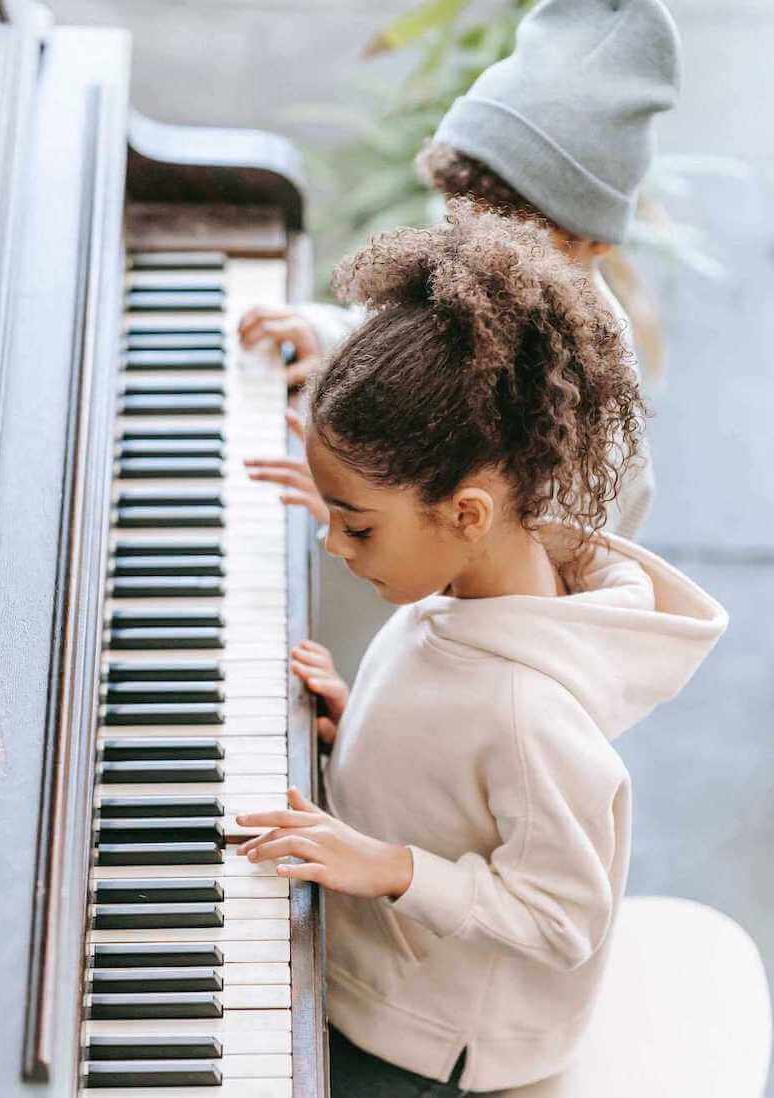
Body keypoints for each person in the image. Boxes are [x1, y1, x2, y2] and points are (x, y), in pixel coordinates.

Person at [235, 204, 727, 1096]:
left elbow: (563, 914)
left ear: (466, 514)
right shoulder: (465, 585)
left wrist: (390, 866)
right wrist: (364, 729)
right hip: (391, 970)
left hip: (434, 1042)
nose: (333, 547)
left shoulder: (532, 713)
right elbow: (454, 754)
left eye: (356, 525)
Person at [243, 0, 682, 543]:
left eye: (507, 232)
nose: (469, 242)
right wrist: (329, 336)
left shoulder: (593, 412)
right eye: (457, 211)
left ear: (592, 239)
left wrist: (358, 521)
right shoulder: (470, 268)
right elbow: (404, 335)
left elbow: (530, 595)